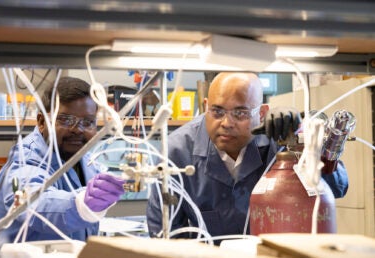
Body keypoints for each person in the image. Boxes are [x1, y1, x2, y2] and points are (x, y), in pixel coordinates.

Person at [146, 72, 348, 241]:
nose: (226, 123)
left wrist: (302, 139)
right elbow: (164, 234)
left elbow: (338, 188)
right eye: (217, 111)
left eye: (240, 113)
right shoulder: (176, 151)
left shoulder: (278, 140)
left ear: (262, 113)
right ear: (205, 105)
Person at [0, 77, 125, 242]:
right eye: (66, 120)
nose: (78, 130)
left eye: (88, 122)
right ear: (41, 121)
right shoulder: (25, 159)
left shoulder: (86, 160)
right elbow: (34, 204)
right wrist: (81, 205)